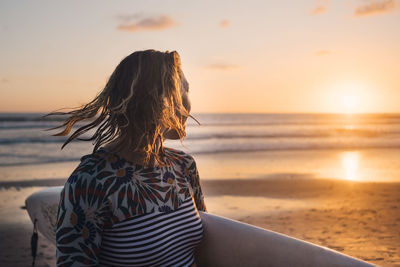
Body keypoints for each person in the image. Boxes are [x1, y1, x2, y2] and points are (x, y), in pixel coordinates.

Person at [52, 50, 207, 266]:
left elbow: (205, 249)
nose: (189, 104)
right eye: (186, 90)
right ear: (161, 99)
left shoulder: (184, 166)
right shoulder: (91, 181)